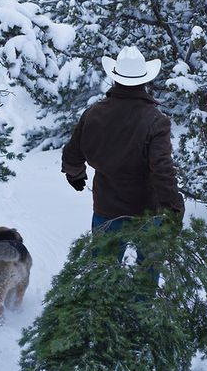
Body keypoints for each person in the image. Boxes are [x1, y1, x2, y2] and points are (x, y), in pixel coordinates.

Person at [61, 46, 185, 259]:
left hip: (106, 208)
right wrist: (173, 207)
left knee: (103, 272)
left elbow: (72, 154)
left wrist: (75, 174)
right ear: (144, 80)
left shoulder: (93, 114)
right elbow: (162, 170)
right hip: (147, 211)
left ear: (115, 78)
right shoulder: (156, 120)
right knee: (146, 277)